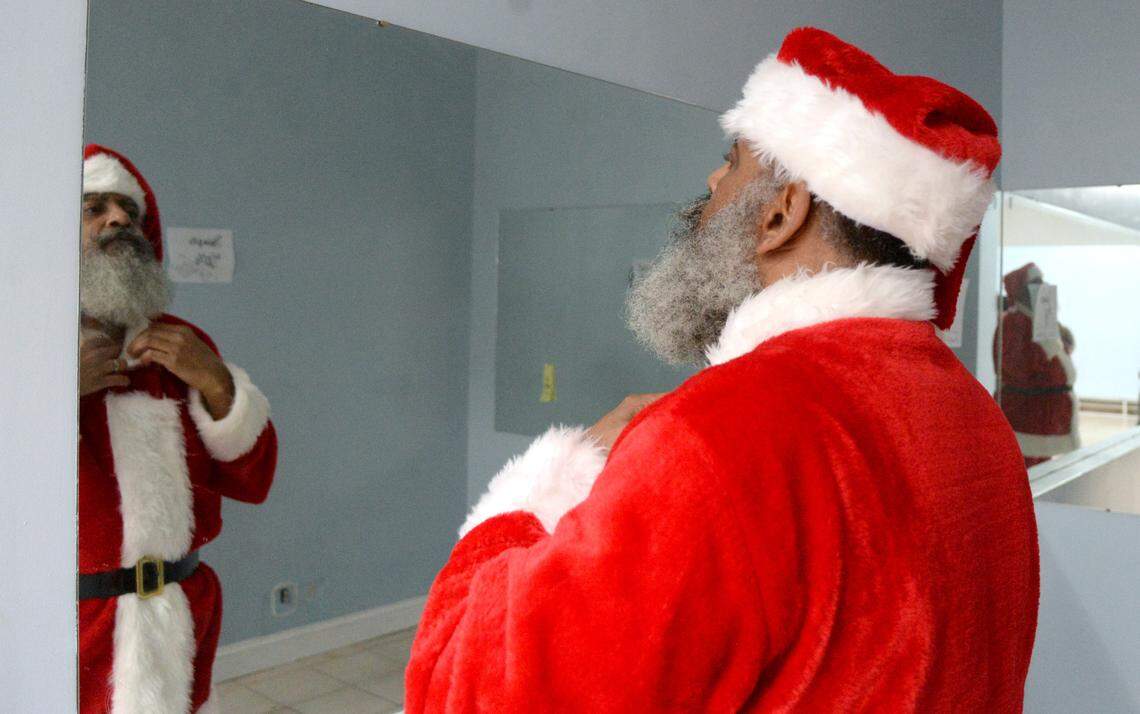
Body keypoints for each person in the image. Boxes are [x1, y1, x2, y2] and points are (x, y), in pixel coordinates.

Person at [405, 28, 1038, 712]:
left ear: (782, 213)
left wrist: (545, 488)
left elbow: (471, 694)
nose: (712, 182)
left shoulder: (721, 434)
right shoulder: (975, 418)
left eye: (730, 161)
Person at [77, 144, 278, 713]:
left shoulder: (183, 344)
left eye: (129, 211)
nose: (118, 219)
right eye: (94, 208)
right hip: (70, 627)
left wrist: (215, 380)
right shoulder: (19, 340)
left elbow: (253, 481)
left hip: (182, 619)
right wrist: (53, 391)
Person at [995, 262, 1080, 467]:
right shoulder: (1013, 323)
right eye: (1036, 284)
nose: (1043, 288)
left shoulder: (1038, 321)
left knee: (1042, 469)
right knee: (1026, 470)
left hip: (1042, 417)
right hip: (1027, 416)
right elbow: (1019, 368)